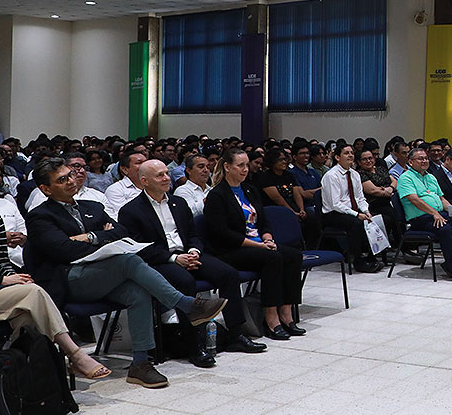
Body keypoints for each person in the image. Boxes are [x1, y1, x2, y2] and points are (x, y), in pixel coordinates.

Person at [25, 158, 227, 388]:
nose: (71, 181)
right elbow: (64, 250)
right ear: (45, 189)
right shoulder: (40, 216)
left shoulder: (92, 206)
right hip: (68, 279)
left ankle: (140, 363)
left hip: (102, 273)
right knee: (128, 261)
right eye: (62, 180)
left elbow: (121, 232)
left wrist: (91, 237)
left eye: (70, 175)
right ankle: (188, 306)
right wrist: (101, 238)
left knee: (137, 292)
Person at [119, 161, 267, 365]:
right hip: (161, 260)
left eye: (166, 173)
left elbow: (193, 234)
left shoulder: (178, 203)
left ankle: (236, 334)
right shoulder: (131, 210)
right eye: (159, 175)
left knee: (228, 274)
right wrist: (174, 258)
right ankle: (195, 345)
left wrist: (194, 251)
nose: (166, 178)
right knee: (185, 282)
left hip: (189, 253)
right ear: (144, 181)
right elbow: (140, 248)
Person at [0, 174, 113, 382]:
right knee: (34, 292)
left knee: (27, 316)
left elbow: (1, 259)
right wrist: (1, 282)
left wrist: (13, 277)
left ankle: (30, 380)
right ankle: (74, 356)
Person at [202, 149, 305, 341]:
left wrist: (267, 238)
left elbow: (263, 220)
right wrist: (258, 246)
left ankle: (287, 313)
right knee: (273, 258)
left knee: (293, 255)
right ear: (227, 167)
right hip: (232, 249)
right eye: (240, 165)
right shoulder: (218, 195)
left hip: (258, 243)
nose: (245, 169)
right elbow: (222, 233)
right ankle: (271, 317)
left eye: (246, 165)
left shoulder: (249, 189)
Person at [396, 148, 452, 280]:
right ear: (410, 162)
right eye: (420, 158)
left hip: (438, 214)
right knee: (446, 229)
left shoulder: (431, 177)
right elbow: (414, 199)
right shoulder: (405, 178)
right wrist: (434, 213)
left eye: (425, 158)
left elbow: (441, 199)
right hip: (420, 218)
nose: (424, 161)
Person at [320, 145, 383, 273]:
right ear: (337, 157)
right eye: (346, 153)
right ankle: (358, 261)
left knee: (377, 218)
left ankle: (372, 257)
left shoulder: (355, 174)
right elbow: (335, 204)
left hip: (351, 211)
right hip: (333, 214)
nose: (350, 155)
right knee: (356, 223)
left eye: (352, 153)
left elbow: (360, 197)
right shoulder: (331, 176)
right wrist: (356, 214)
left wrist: (366, 211)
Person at [259, 148, 322, 251]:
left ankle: (311, 248)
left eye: (285, 159)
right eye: (280, 160)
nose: (284, 162)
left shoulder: (289, 175)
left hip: (293, 206)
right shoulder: (266, 177)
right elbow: (277, 198)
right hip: (276, 208)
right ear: (272, 161)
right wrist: (292, 212)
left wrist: (301, 209)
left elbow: (297, 193)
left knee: (312, 217)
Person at [26, 152, 107, 212]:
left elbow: (113, 228)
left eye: (84, 167)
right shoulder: (42, 195)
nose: (82, 171)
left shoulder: (98, 197)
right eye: (76, 166)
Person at [104, 149, 146, 217]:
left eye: (146, 162)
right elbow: (121, 217)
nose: (145, 166)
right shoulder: (115, 190)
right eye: (139, 163)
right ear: (125, 169)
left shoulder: (154, 185)